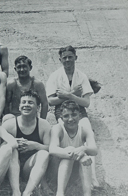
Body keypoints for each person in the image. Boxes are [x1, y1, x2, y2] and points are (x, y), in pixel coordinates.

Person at [46, 45, 100, 188]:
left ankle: (93, 178)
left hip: (79, 110)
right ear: (60, 59)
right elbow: (51, 101)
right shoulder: (55, 76)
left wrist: (69, 95)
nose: (68, 60)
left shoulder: (81, 76)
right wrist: (73, 95)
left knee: (87, 133)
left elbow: (86, 102)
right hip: (61, 111)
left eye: (70, 57)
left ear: (76, 57)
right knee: (67, 132)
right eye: (65, 58)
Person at [2, 91, 52, 196]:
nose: (26, 105)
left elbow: (50, 148)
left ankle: (27, 192)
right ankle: (16, 191)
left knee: (44, 154)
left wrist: (35, 145)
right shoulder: (9, 125)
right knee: (12, 150)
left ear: (38, 108)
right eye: (23, 102)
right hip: (10, 168)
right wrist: (12, 143)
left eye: (30, 102)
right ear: (19, 107)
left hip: (29, 168)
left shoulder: (44, 125)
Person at [49, 100, 98, 196]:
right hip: (57, 171)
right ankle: (60, 193)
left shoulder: (85, 130)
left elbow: (94, 150)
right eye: (66, 116)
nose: (70, 119)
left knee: (85, 156)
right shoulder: (58, 128)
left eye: (74, 115)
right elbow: (52, 149)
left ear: (80, 115)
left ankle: (87, 194)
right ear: (62, 118)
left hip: (75, 171)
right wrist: (76, 152)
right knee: (71, 156)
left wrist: (84, 149)